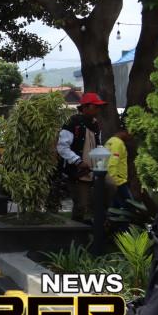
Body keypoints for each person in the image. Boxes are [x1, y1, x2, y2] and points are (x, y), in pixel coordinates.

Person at [57, 93, 106, 223]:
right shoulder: (72, 123)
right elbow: (62, 147)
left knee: (107, 190)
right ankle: (77, 231)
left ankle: (93, 228)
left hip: (92, 171)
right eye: (95, 106)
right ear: (85, 107)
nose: (98, 110)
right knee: (81, 205)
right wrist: (77, 161)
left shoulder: (95, 125)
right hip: (77, 173)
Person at [105, 127, 133, 208]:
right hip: (118, 180)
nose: (130, 137)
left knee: (116, 206)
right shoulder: (118, 143)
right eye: (129, 134)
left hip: (112, 178)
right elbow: (113, 162)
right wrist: (113, 180)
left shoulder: (109, 141)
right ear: (123, 132)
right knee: (130, 205)